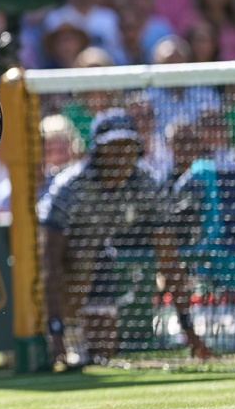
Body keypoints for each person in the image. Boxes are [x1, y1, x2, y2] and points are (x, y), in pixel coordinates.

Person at [39, 109, 211, 368]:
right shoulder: (70, 188)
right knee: (83, 253)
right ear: (97, 151)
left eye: (128, 146)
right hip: (48, 261)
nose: (122, 155)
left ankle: (82, 338)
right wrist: (56, 331)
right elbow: (49, 264)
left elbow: (170, 259)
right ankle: (62, 333)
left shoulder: (146, 185)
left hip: (99, 256)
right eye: (113, 147)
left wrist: (188, 329)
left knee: (103, 351)